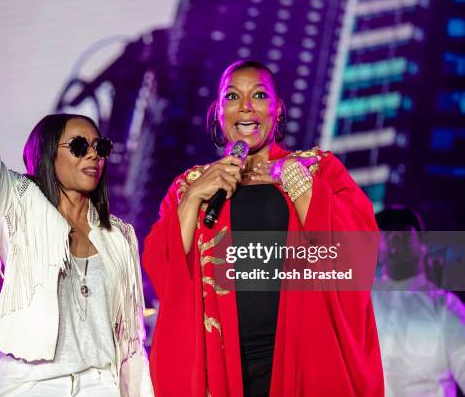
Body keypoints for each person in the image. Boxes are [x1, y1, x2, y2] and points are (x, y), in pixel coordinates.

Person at [142, 60, 384, 396]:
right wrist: (195, 197)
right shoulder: (191, 185)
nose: (245, 106)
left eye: (258, 94)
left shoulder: (317, 168)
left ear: (277, 109)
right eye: (231, 96)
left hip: (301, 359)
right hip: (221, 364)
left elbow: (358, 256)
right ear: (217, 111)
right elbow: (161, 269)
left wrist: (295, 181)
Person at [0, 21, 152, 396]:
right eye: (79, 146)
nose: (93, 156)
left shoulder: (119, 236)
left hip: (99, 385)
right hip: (30, 385)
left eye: (100, 148)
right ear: (49, 155)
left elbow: (130, 341)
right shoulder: (18, 205)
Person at [373, 206, 465, 396]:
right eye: (386, 232)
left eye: (402, 231)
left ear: (423, 243)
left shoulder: (445, 307)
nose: (393, 238)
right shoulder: (359, 301)